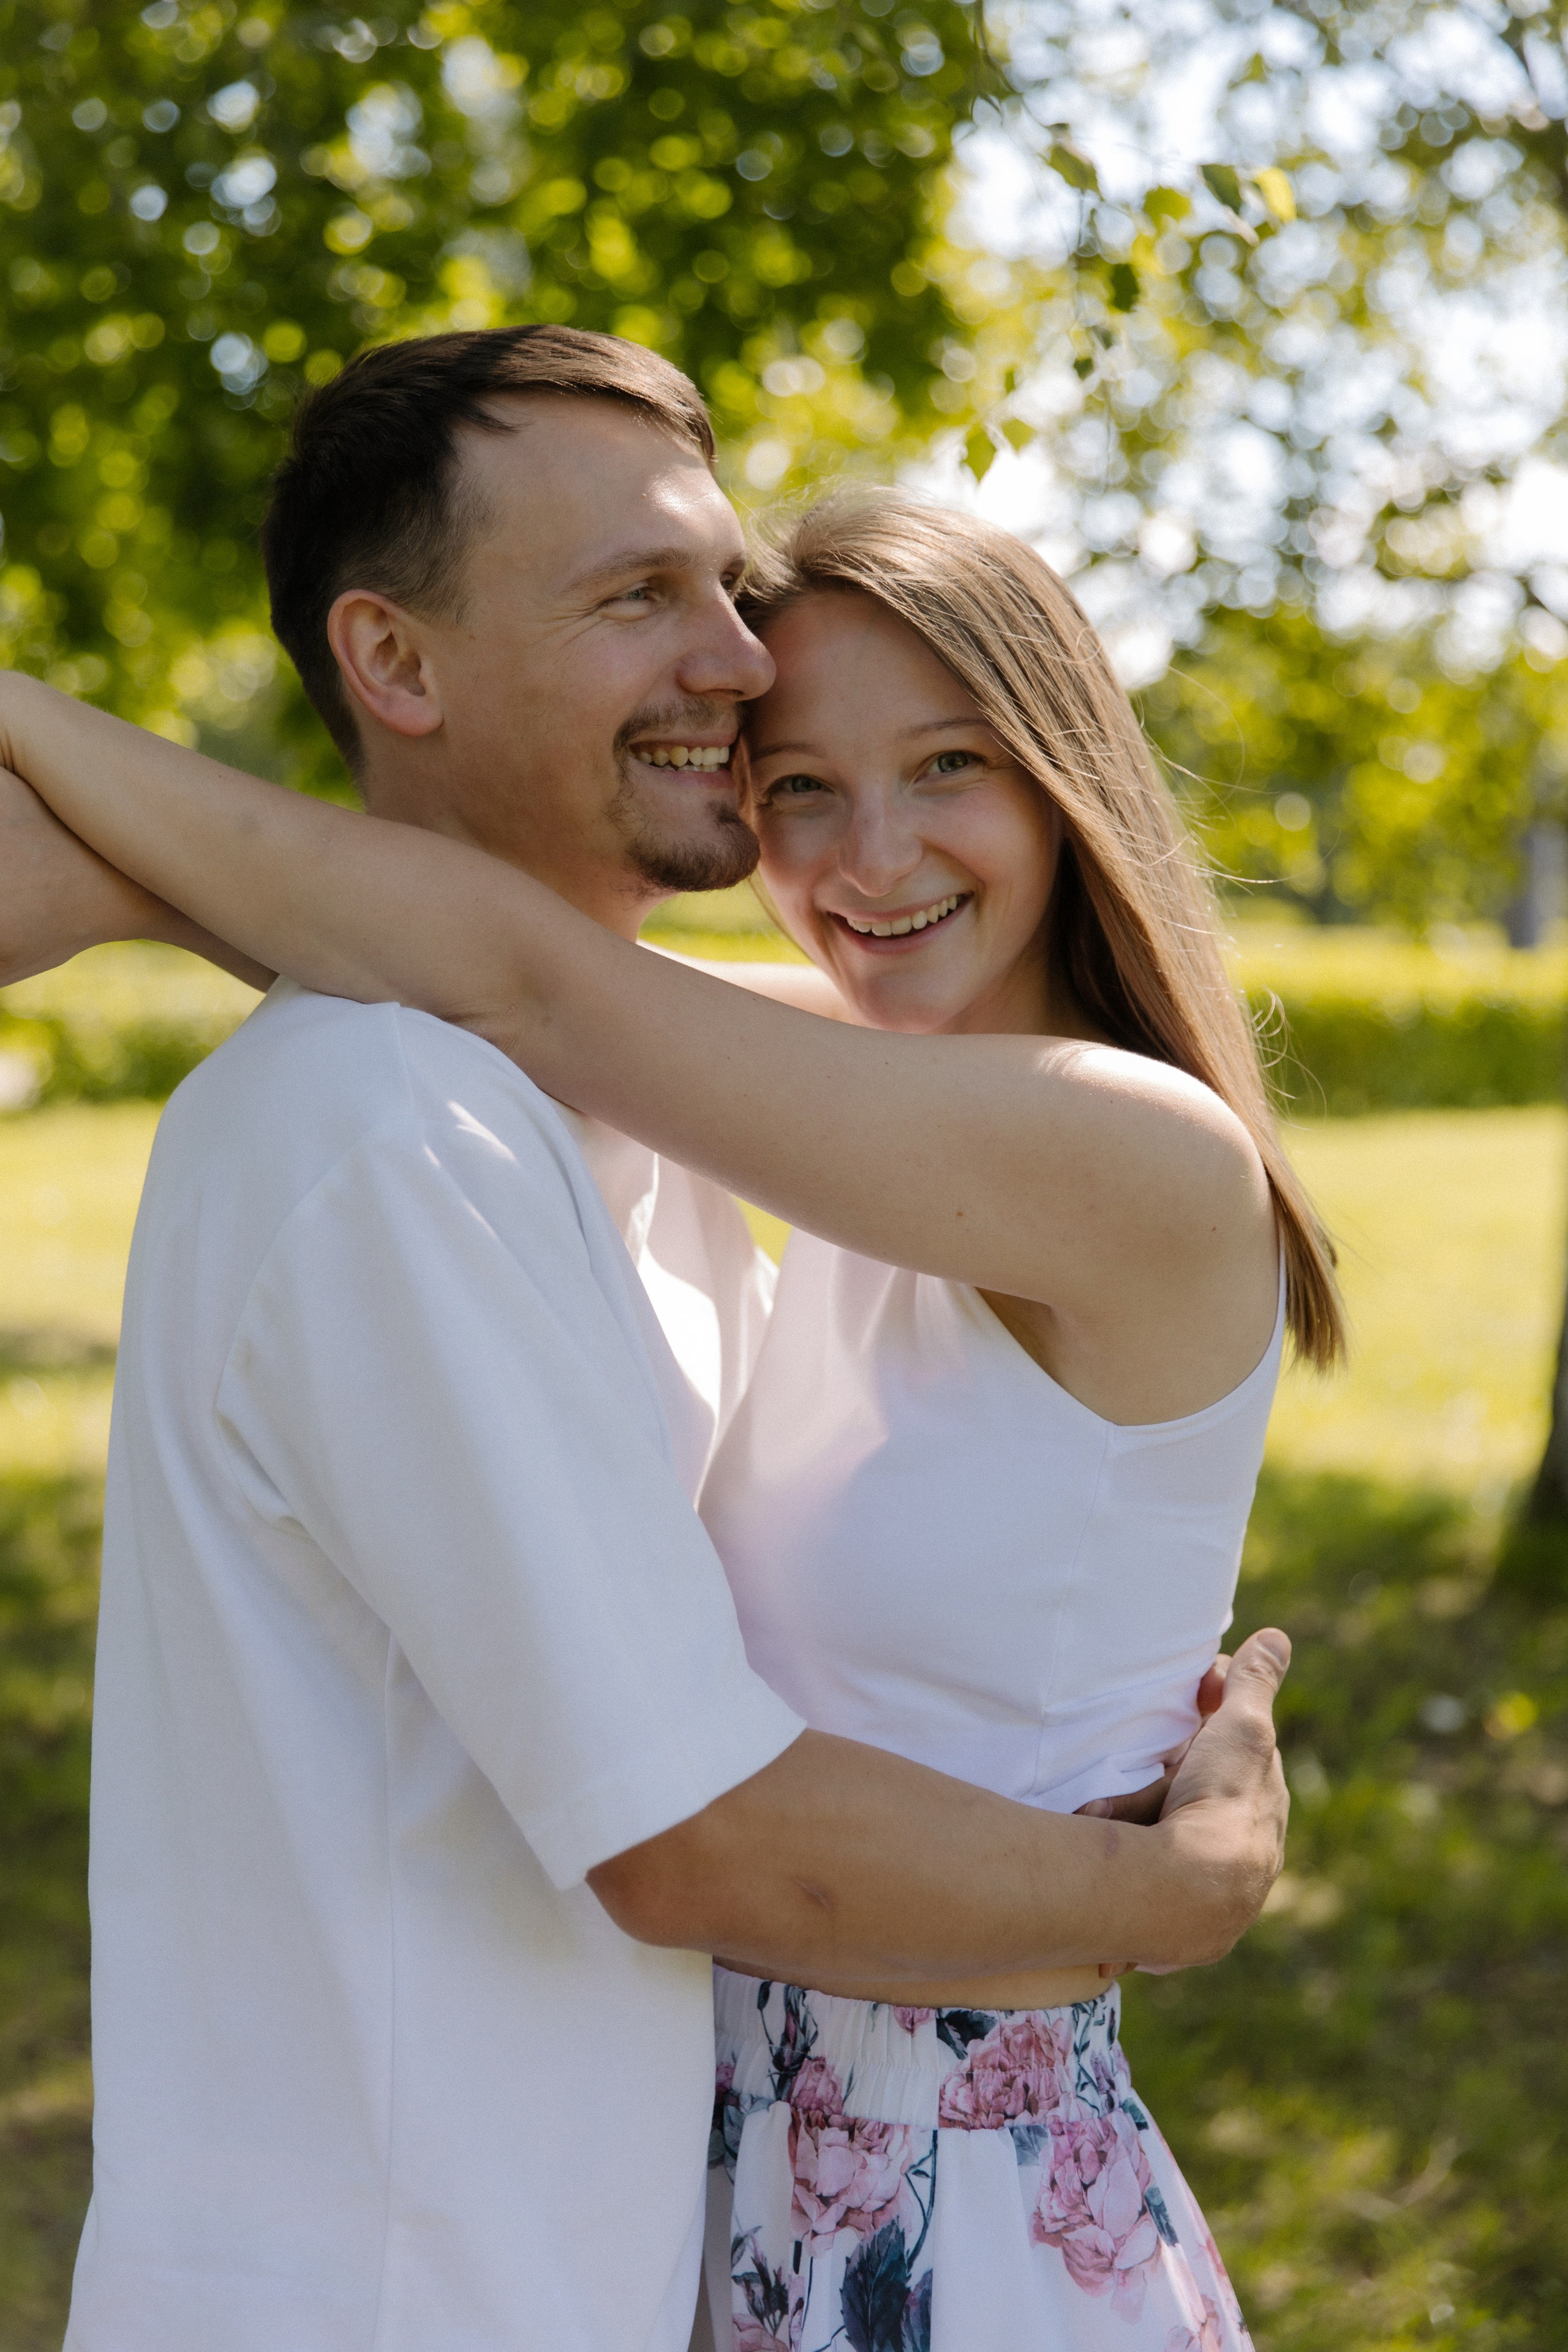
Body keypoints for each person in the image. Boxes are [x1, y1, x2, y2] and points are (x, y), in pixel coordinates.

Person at [0, 329, 1295, 2352]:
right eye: (638, 598)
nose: (732, 661)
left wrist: (107, 851)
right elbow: (513, 975)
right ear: (398, 662)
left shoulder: (907, 1132)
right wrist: (1168, 1894)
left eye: (950, 760)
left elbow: (529, 977)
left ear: (1068, 779)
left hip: (864, 2222)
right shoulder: (412, 1126)